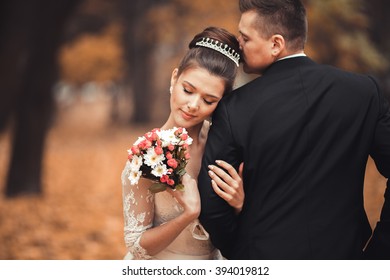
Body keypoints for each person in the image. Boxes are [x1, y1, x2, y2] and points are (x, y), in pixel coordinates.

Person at [198, 0, 390, 259]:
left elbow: (212, 207)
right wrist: (380, 252)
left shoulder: (235, 108)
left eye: (245, 38)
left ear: (276, 44)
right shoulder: (365, 92)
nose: (238, 45)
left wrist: (244, 255)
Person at [121, 26, 244, 260]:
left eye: (209, 100)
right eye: (188, 90)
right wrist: (188, 214)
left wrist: (239, 205)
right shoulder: (147, 155)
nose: (193, 105)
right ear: (174, 78)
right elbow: (137, 246)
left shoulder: (228, 145)